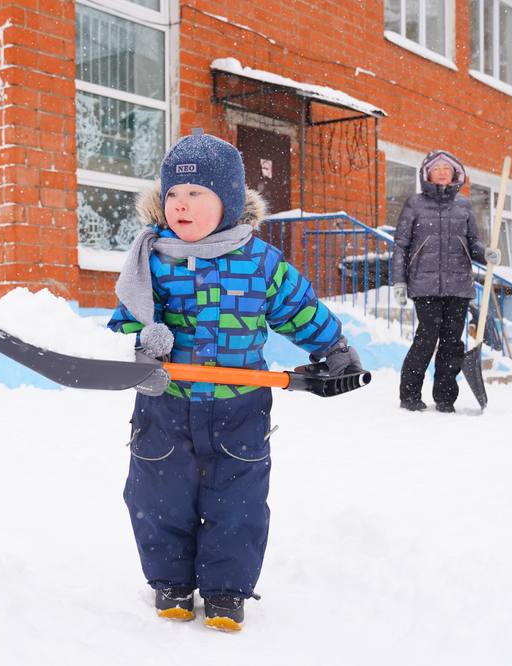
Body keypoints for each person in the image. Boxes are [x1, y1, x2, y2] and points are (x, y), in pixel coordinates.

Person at [108, 131, 362, 632]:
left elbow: (300, 309)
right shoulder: (153, 259)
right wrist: (145, 335)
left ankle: (227, 590)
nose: (180, 205)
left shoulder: (260, 261)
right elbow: (128, 316)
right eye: (173, 195)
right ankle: (170, 582)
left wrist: (332, 349)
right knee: (158, 496)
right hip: (166, 401)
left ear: (226, 200)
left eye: (195, 194)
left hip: (239, 406)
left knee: (237, 500)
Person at [390, 150, 500, 413]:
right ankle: (410, 395)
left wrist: (486, 253)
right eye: (436, 168)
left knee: (452, 342)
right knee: (426, 339)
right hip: (424, 285)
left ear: (455, 174)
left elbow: (472, 243)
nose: (441, 171)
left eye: (446, 168)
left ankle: (445, 397)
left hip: (458, 286)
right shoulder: (414, 204)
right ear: (427, 174)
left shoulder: (463, 206)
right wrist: (399, 281)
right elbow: (401, 246)